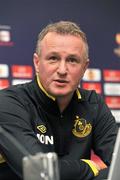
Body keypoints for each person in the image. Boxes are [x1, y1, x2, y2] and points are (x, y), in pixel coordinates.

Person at [0, 21, 118, 180]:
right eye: (53, 58)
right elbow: (39, 172)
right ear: (37, 62)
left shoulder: (93, 103)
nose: (62, 70)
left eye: (72, 60)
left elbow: (117, 164)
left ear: (84, 67)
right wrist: (92, 166)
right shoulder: (9, 102)